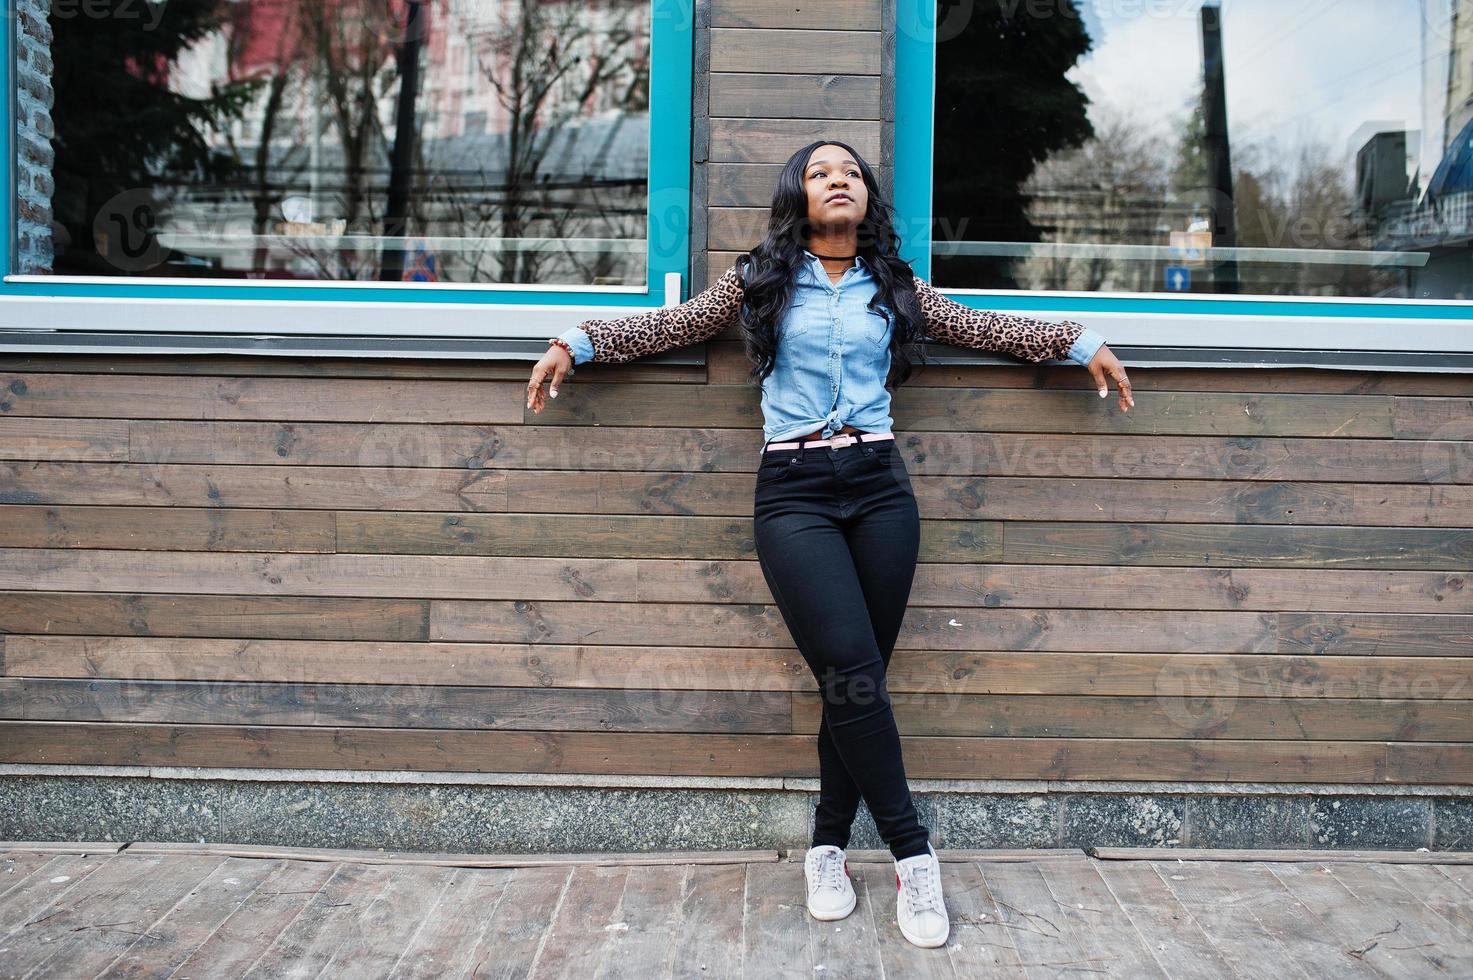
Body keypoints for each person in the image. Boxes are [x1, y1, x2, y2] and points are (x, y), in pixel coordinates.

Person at [526, 139, 1134, 950]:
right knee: (850, 669)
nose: (837, 179)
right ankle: (915, 857)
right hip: (795, 493)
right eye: (819, 172)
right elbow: (668, 325)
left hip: (881, 489)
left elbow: (986, 327)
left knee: (859, 684)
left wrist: (1074, 341)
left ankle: (825, 845)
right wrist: (578, 340)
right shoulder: (758, 283)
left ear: (866, 197)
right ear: (798, 197)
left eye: (849, 171)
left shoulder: (896, 286)